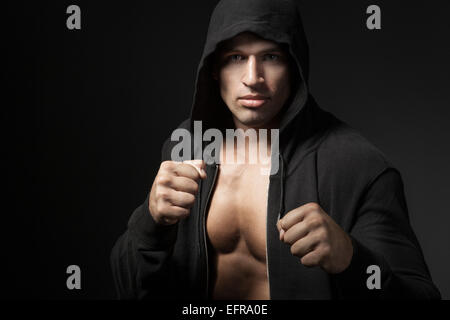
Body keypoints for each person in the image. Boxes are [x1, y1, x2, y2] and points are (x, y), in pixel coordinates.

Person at [110, 0, 441, 299]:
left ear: (294, 66)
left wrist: (352, 258)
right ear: (214, 68)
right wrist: (150, 221)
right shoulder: (190, 143)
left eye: (270, 57)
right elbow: (128, 285)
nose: (252, 78)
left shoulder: (356, 165)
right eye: (236, 58)